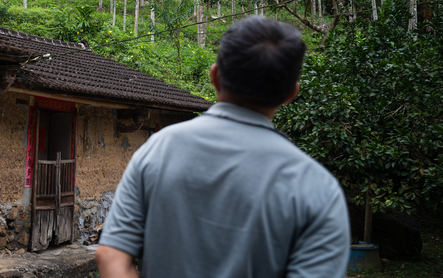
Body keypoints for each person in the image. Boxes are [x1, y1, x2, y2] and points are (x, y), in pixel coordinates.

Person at [96, 16, 351, 278]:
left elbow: (111, 254)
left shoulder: (159, 149)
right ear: (291, 94)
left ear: (215, 76)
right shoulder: (317, 187)